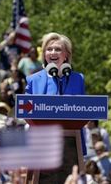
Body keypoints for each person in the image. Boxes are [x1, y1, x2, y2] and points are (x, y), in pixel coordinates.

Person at [25, 32, 85, 184]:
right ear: (44, 54)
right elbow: (25, 111)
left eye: (58, 49)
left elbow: (84, 110)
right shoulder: (33, 80)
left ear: (66, 55)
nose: (53, 52)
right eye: (49, 49)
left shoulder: (78, 79)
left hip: (70, 146)